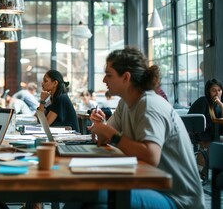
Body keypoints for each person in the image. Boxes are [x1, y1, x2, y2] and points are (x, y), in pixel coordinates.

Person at [83, 47, 205, 208]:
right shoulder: (124, 103)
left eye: (109, 75)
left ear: (126, 77)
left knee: (91, 197)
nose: (104, 80)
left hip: (178, 199)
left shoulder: (149, 104)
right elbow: (103, 138)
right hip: (151, 188)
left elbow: (151, 156)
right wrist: (101, 127)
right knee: (85, 195)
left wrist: (109, 132)